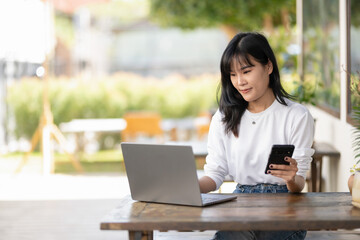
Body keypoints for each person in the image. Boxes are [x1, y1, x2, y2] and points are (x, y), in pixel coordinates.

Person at [199, 32, 315, 240]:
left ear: (268, 67)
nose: (239, 81)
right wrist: (187, 187)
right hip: (241, 205)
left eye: (246, 71)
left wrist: (291, 179)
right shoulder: (224, 117)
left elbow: (298, 184)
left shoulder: (296, 115)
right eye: (232, 75)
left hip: (285, 207)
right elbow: (215, 174)